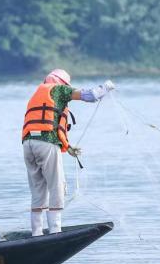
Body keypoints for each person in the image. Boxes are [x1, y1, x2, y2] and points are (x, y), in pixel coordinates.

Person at [22, 69, 115, 236]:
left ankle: (36, 233)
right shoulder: (59, 89)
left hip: (28, 144)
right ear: (63, 82)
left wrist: (68, 147)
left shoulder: (38, 92)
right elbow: (90, 95)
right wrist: (106, 87)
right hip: (46, 143)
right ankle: (55, 231)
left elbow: (48, 121)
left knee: (38, 189)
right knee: (57, 186)